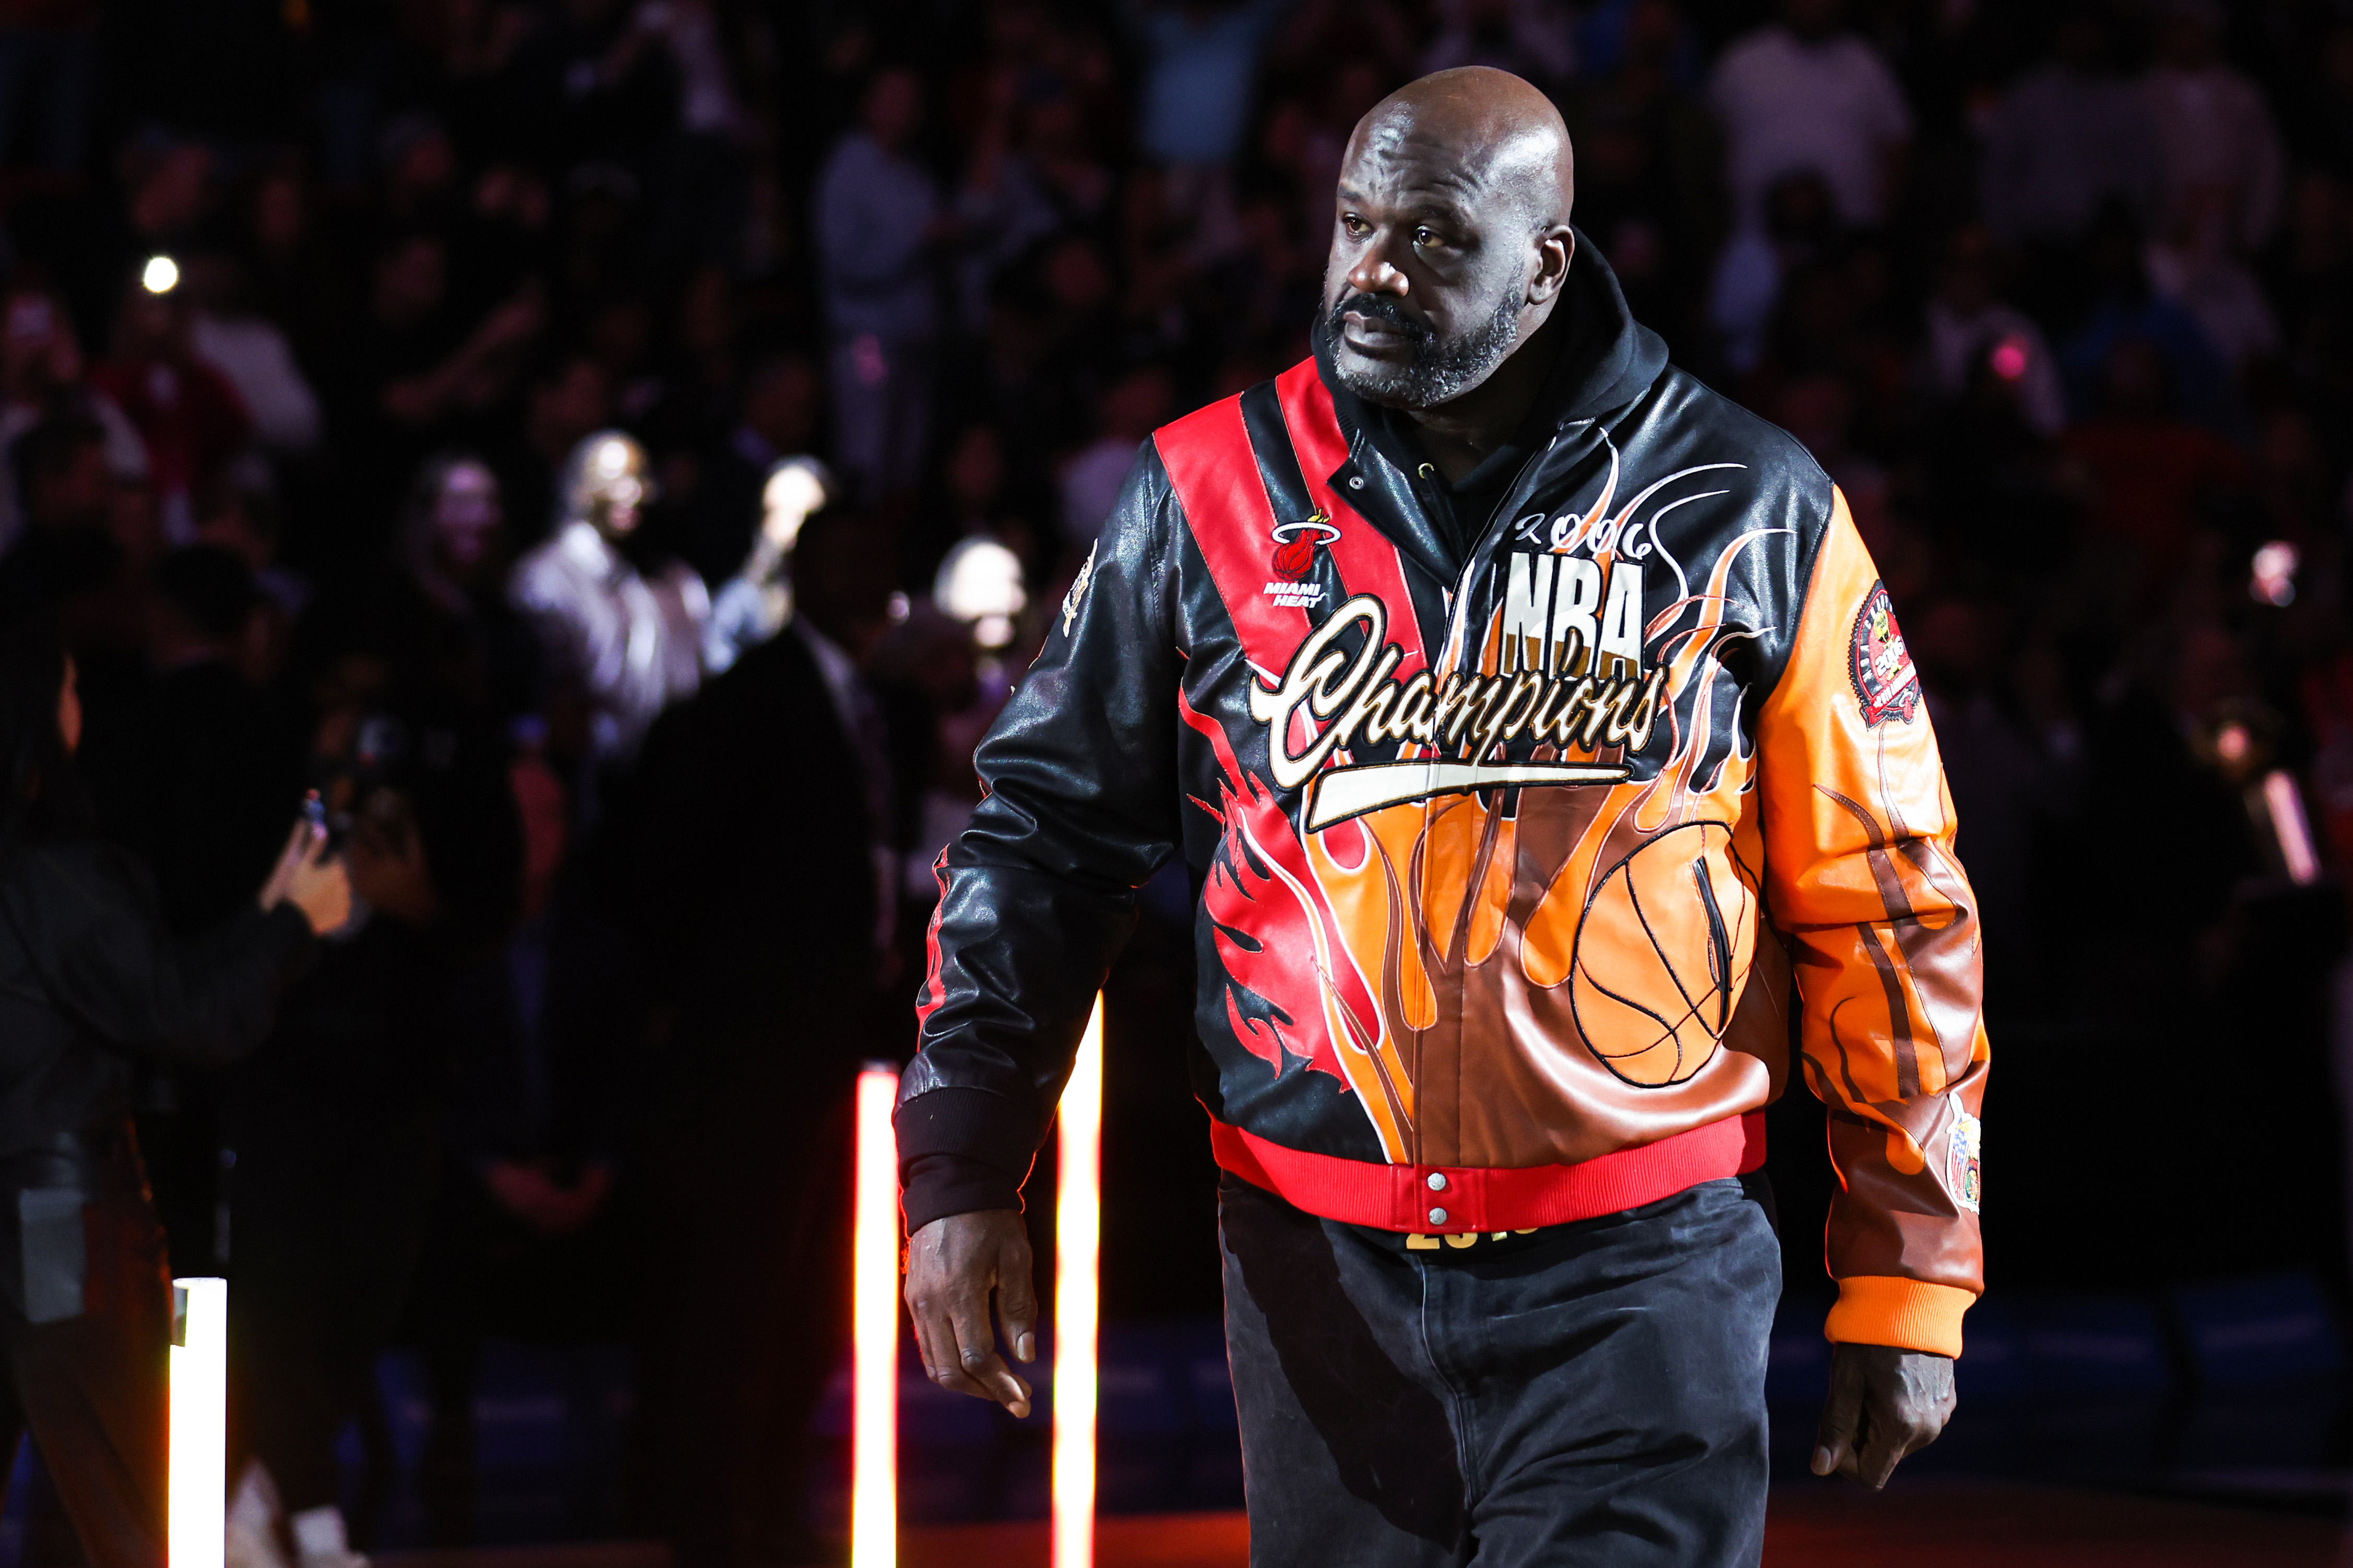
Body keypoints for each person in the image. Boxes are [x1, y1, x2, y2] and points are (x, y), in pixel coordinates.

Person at [900, 68, 1984, 1565]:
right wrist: (963, 1166)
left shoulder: (1751, 502)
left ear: (1545, 262)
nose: (1375, 270)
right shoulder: (1202, 489)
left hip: (1642, 1278)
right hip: (1311, 1278)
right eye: (1354, 223)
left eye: (1432, 236)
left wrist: (1909, 1271)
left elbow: (1888, 897)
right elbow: (1038, 841)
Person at [0, 617, 347, 1568]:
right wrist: (291, 928)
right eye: (71, 687)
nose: (81, 706)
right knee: (145, 1526)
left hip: (38, 1222)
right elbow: (187, 1016)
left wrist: (272, 916)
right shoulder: (51, 871)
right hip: (64, 1233)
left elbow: (155, 993)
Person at [627, 507, 896, 1568]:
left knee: (808, 1296)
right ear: (802, 573)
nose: (862, 580)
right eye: (841, 560)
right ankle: (711, 1518)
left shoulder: (867, 700)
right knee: (738, 1293)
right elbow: (670, 869)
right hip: (753, 1055)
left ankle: (770, 1506)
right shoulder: (751, 700)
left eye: (873, 560)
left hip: (834, 1044)